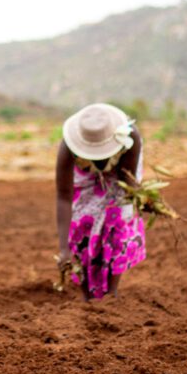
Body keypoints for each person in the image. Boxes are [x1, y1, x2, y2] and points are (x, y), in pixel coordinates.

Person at [55, 103, 146, 300]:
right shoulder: (68, 147)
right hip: (85, 179)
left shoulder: (129, 138)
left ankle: (111, 294)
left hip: (120, 176)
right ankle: (87, 295)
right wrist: (64, 249)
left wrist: (141, 197)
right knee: (81, 224)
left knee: (118, 218)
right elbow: (64, 196)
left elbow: (126, 180)